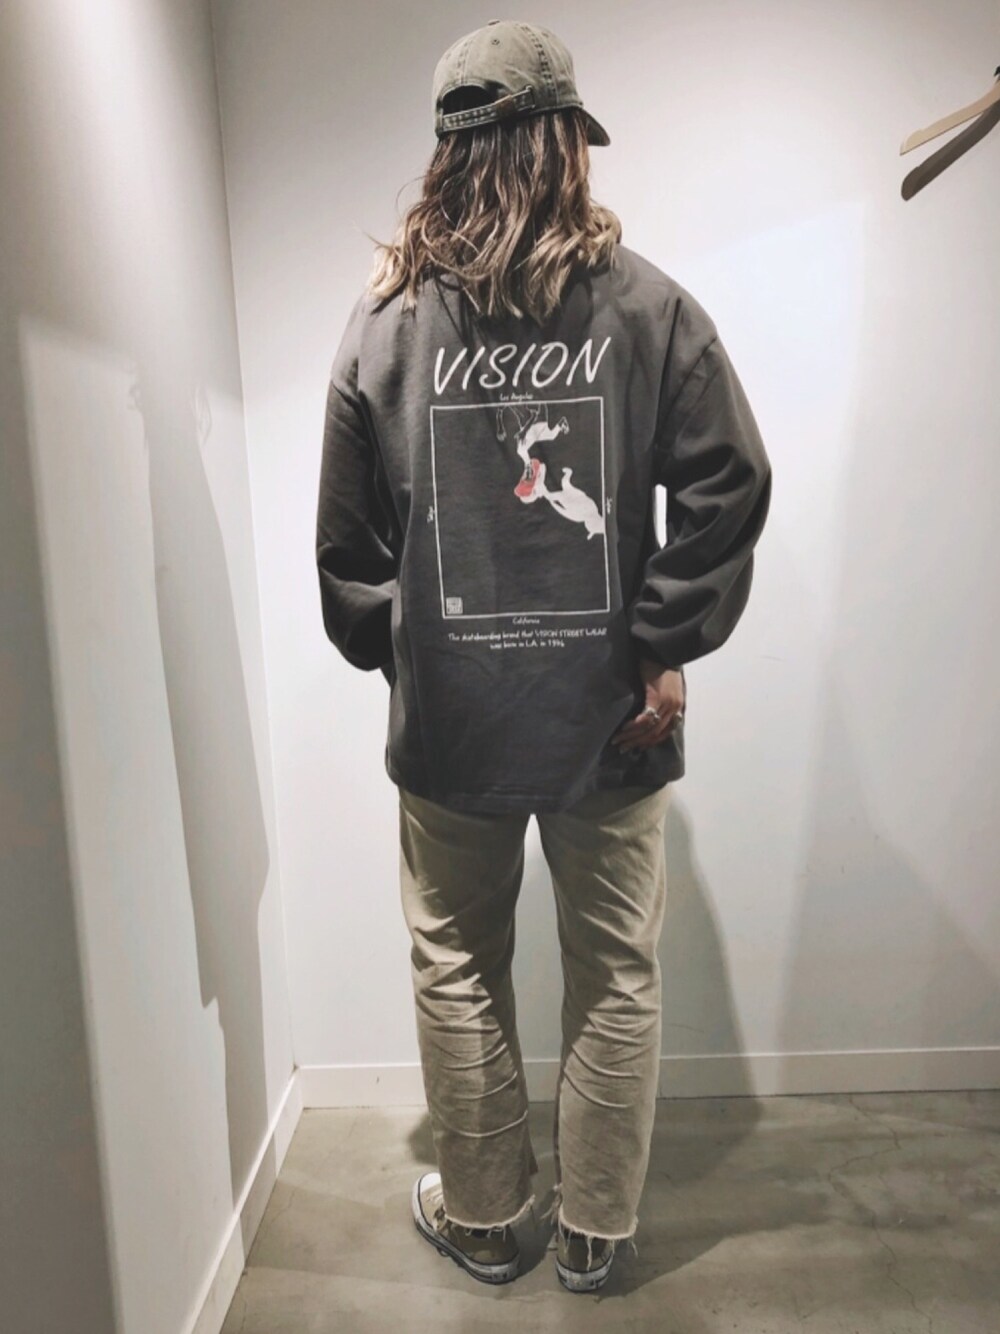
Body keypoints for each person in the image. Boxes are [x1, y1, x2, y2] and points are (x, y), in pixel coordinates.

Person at [315, 19, 772, 1293]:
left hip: (454, 722)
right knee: (614, 969)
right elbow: (730, 483)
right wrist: (662, 644)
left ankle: (483, 1218)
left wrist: (408, 651)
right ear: (564, 142)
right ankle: (593, 1230)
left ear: (448, 153)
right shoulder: (649, 308)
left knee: (457, 960)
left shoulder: (384, 324)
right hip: (612, 713)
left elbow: (347, 543)